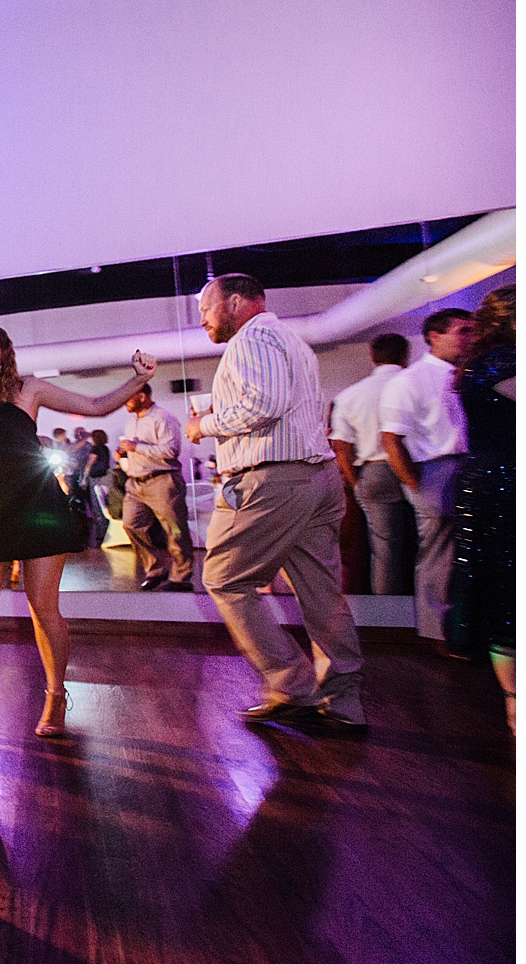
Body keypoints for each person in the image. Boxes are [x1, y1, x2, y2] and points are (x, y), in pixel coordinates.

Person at [0, 324, 156, 741]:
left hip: (38, 506)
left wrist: (138, 378)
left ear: (4, 355)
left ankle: (56, 695)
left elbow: (97, 406)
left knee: (43, 607)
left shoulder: (28, 390)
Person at [185, 273, 365, 730]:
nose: (202, 319)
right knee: (321, 592)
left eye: (206, 308)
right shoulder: (292, 340)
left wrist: (204, 425)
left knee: (223, 578)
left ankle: (291, 684)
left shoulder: (251, 338)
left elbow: (262, 404)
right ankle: (343, 701)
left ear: (236, 303)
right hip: (317, 477)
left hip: (273, 479)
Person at [380, 308, 477, 654]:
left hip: (474, 466)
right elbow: (391, 439)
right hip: (436, 469)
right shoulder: (411, 380)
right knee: (440, 554)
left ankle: (469, 629)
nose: (470, 338)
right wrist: (417, 487)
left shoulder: (473, 373)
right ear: (435, 336)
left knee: (468, 553)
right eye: (462, 331)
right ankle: (438, 634)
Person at [451, 286, 514, 731]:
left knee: (501, 590)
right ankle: (515, 705)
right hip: (502, 485)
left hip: (489, 482)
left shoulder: (477, 364)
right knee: (506, 591)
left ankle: (513, 702)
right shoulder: (500, 362)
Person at [328, 333, 414, 594]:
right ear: (404, 355)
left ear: (372, 357)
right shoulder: (413, 384)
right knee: (426, 544)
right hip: (416, 466)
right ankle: (425, 614)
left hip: (373, 470)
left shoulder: (349, 395)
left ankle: (386, 619)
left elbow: (341, 447)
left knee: (385, 549)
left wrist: (356, 483)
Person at [118, 384, 195, 591]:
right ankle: (156, 569)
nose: (124, 401)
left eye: (128, 397)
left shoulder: (163, 418)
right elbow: (137, 449)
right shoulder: (131, 420)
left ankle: (181, 577)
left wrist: (136, 447)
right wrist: (125, 454)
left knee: (175, 529)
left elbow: (171, 451)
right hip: (135, 482)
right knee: (130, 524)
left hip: (162, 480)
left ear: (141, 396)